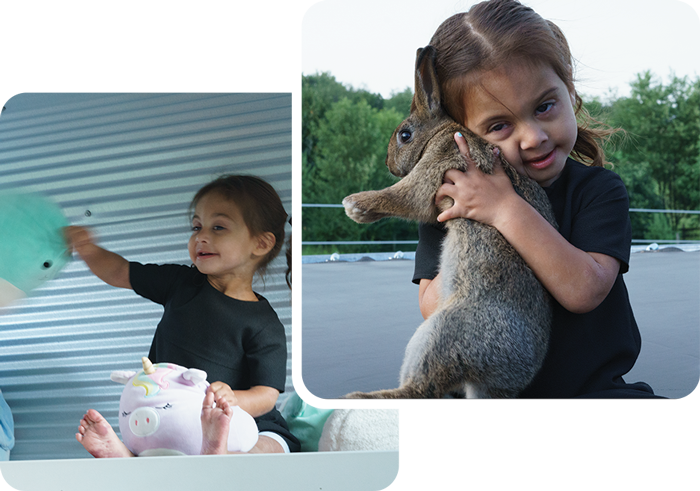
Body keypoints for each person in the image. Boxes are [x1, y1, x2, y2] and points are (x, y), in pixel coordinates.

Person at [414, 0, 661, 398]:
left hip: (593, 395)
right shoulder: (452, 202)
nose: (533, 137)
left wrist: (505, 209)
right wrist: (474, 220)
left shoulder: (597, 190)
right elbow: (432, 307)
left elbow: (584, 290)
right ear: (461, 135)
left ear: (570, 91)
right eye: (499, 125)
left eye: (545, 106)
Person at [67, 174, 302, 456]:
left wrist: (232, 400)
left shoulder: (265, 324)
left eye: (218, 227)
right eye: (196, 226)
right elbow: (120, 272)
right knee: (157, 430)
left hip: (243, 421)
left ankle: (219, 452)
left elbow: (266, 395)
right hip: (173, 416)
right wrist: (88, 249)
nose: (201, 237)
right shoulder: (180, 284)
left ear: (261, 244)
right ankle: (136, 454)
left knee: (272, 445)